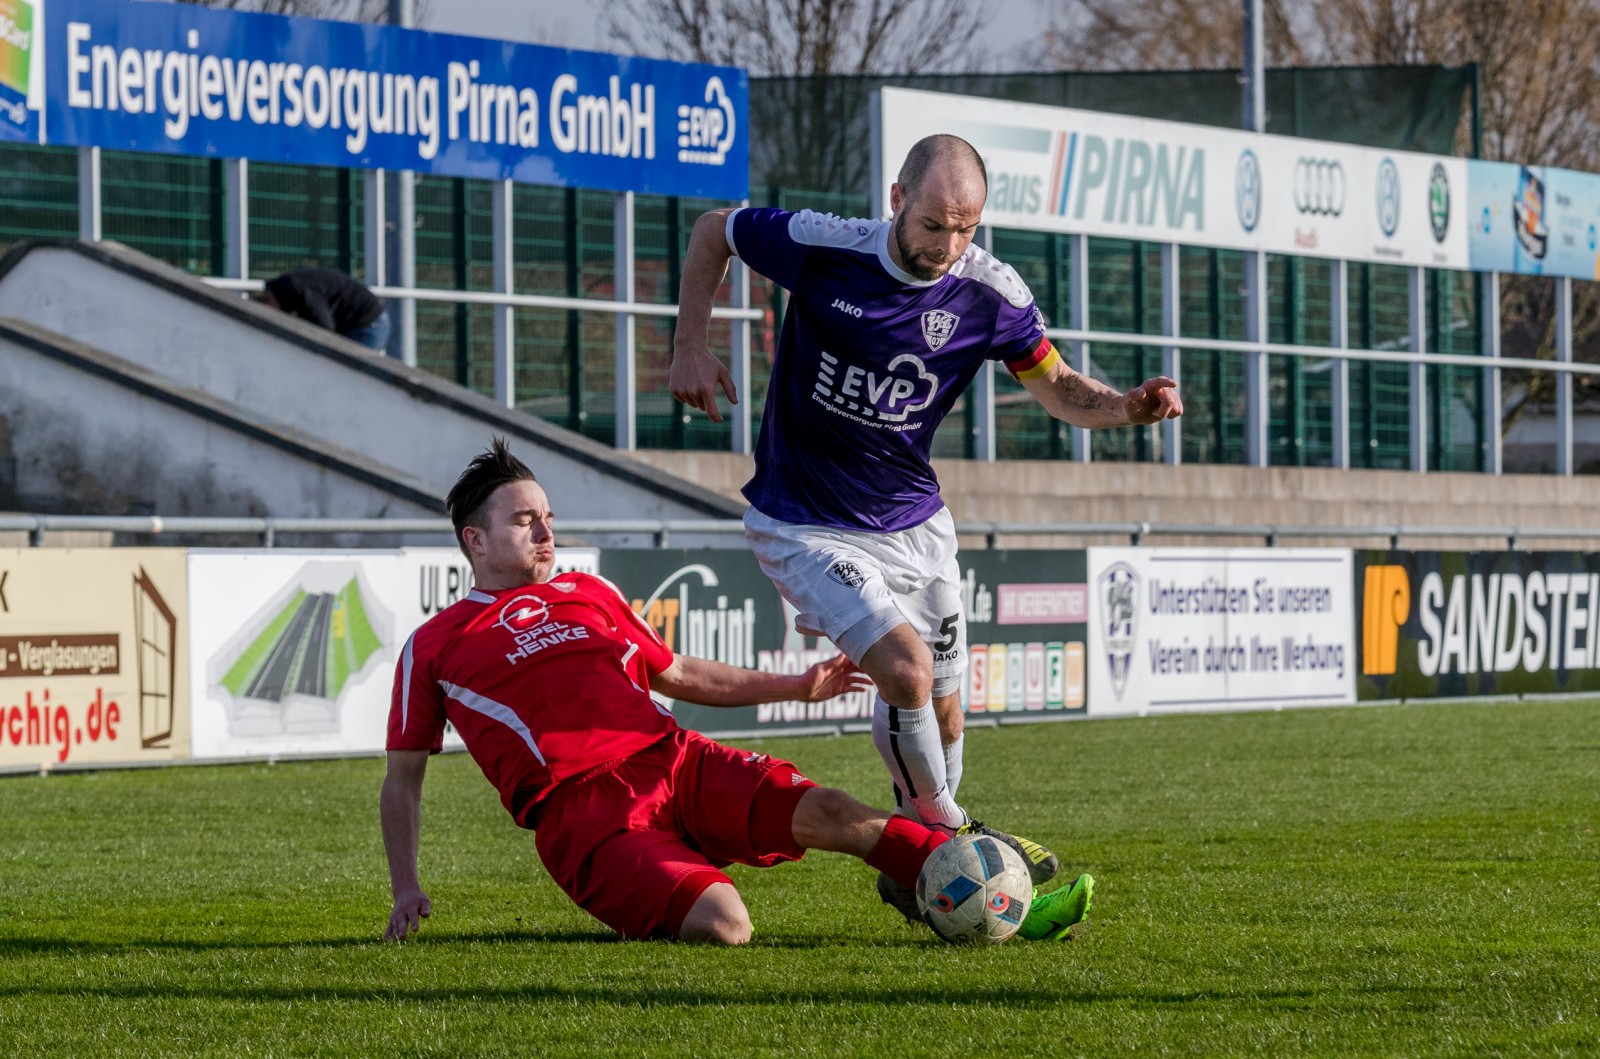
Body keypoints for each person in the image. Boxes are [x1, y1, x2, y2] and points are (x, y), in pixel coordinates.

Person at [668, 133, 1182, 918]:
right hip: (806, 522)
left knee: (944, 706)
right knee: (905, 672)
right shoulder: (826, 247)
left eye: (967, 228)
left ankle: (916, 854)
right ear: (897, 201)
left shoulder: (989, 293)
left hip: (915, 522)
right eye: (936, 225)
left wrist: (1127, 408)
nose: (949, 245)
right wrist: (690, 347)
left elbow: (1057, 384)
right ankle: (955, 840)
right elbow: (713, 231)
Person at [380, 439, 1094, 944]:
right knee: (728, 926)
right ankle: (943, 887)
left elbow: (682, 675)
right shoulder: (436, 643)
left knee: (834, 810)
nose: (545, 530)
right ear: (474, 540)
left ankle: (1003, 903)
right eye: (523, 519)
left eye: (548, 516)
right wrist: (406, 884)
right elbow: (402, 779)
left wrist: (799, 686)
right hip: (588, 817)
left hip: (676, 759)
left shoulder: (588, 592)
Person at [260, 267, 391, 352]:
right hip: (362, 321)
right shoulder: (290, 289)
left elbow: (325, 327)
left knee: (352, 377)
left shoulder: (298, 290)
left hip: (368, 324)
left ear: (271, 302)